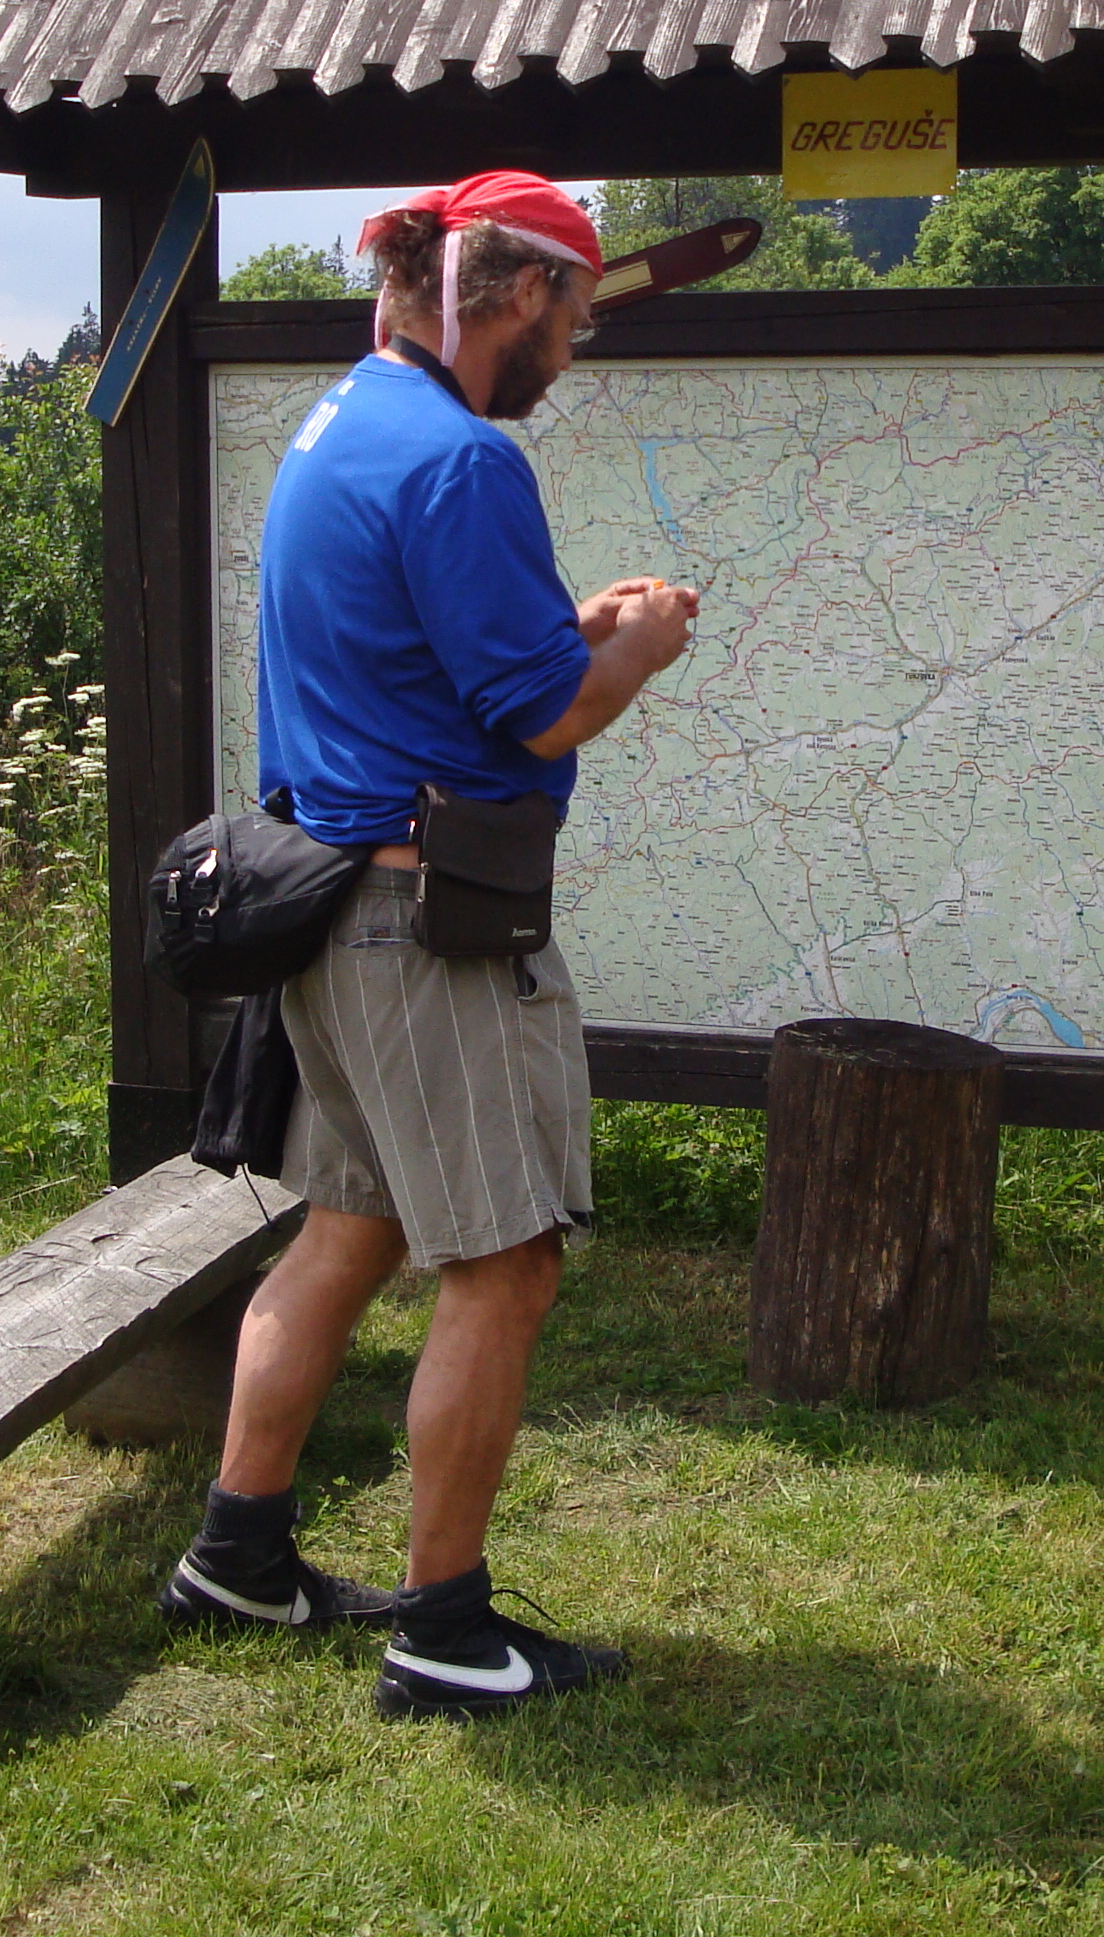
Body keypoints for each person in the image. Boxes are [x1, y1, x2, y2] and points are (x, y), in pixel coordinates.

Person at [158, 169, 698, 1720]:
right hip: (427, 930)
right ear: (514, 293)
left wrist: (568, 630)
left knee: (348, 1228)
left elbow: (430, 657)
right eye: (572, 321)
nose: (571, 354)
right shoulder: (463, 460)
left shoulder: (342, 426)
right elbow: (541, 714)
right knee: (506, 1263)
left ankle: (238, 1555)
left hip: (331, 917)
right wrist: (641, 651)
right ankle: (445, 1633)